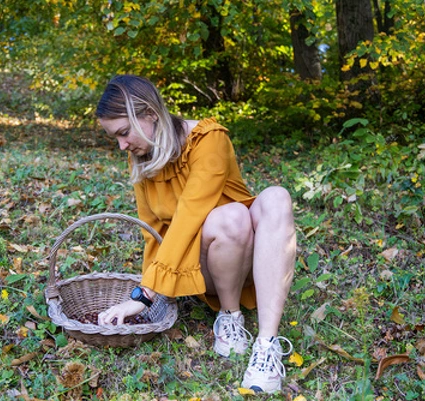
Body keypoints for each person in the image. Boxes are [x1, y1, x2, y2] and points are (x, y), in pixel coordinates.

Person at [95, 74, 297, 394]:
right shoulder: (142, 161)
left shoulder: (208, 139)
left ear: (149, 114)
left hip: (251, 260)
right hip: (205, 267)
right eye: (115, 138)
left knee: (274, 198)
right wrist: (151, 288)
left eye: (123, 133)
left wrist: (145, 294)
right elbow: (153, 233)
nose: (122, 145)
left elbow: (191, 213)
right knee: (230, 218)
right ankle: (230, 318)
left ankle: (266, 345)